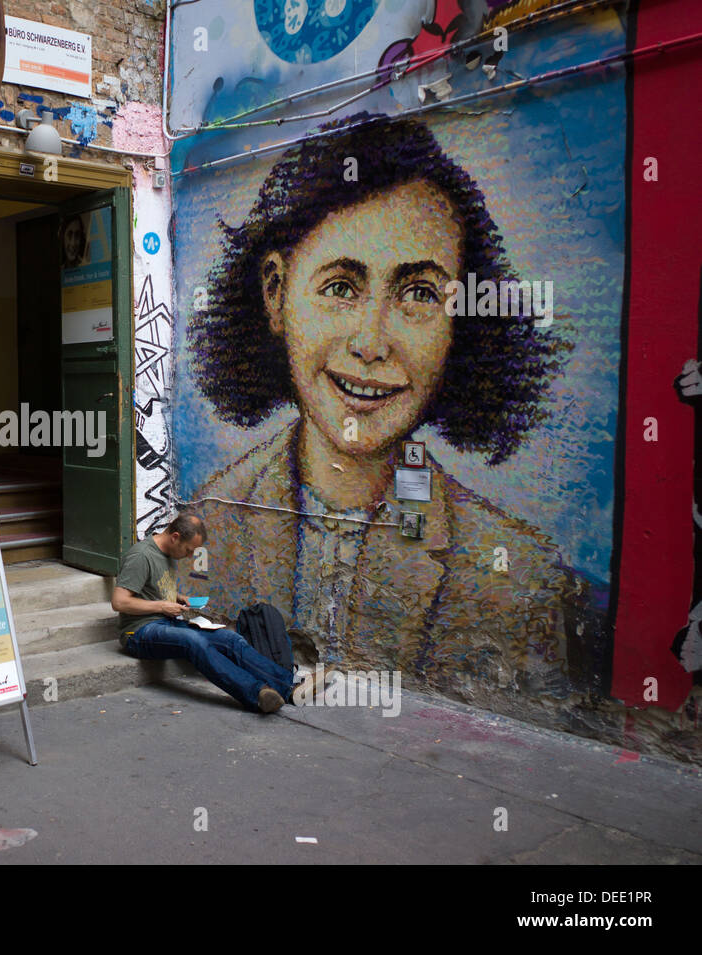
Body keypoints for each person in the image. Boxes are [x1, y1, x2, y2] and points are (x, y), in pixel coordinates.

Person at [186, 112, 600, 702]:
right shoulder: (210, 521)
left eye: (419, 294)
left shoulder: (519, 579)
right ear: (276, 294)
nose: (371, 342)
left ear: (460, 324)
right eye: (340, 287)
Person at [114, 513, 297, 713]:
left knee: (230, 638)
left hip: (167, 621)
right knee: (193, 641)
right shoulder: (141, 556)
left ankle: (288, 687)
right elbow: (119, 602)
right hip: (138, 632)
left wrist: (178, 597)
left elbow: (151, 588)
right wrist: (162, 606)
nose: (189, 556)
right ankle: (258, 694)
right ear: (175, 537)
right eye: (188, 550)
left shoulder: (169, 553)